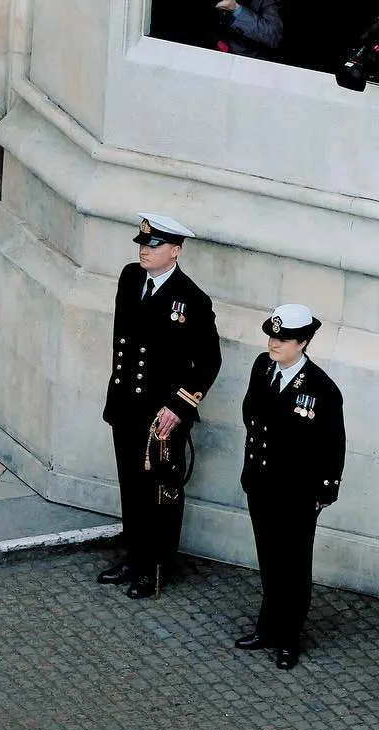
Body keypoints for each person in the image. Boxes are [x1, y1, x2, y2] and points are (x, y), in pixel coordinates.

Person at [98, 214, 221, 599]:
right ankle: (134, 558)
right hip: (126, 407)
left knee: (161, 493)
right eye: (143, 244)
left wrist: (179, 407)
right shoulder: (130, 278)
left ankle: (156, 568)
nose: (144, 250)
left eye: (153, 246)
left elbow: (207, 362)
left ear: (175, 251)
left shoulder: (193, 301)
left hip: (161, 417)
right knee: (132, 487)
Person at [234, 305, 345, 671]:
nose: (273, 343)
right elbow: (252, 415)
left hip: (296, 492)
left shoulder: (321, 389)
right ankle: (268, 628)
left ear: (303, 342)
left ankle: (289, 638)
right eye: (271, 335)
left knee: (294, 566)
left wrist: (324, 491)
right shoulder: (262, 367)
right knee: (269, 558)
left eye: (282, 338)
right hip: (262, 484)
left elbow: (332, 445)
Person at [214, 0, 283, 59]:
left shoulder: (268, 2)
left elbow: (273, 36)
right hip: (216, 54)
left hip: (246, 61)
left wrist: (236, 8)